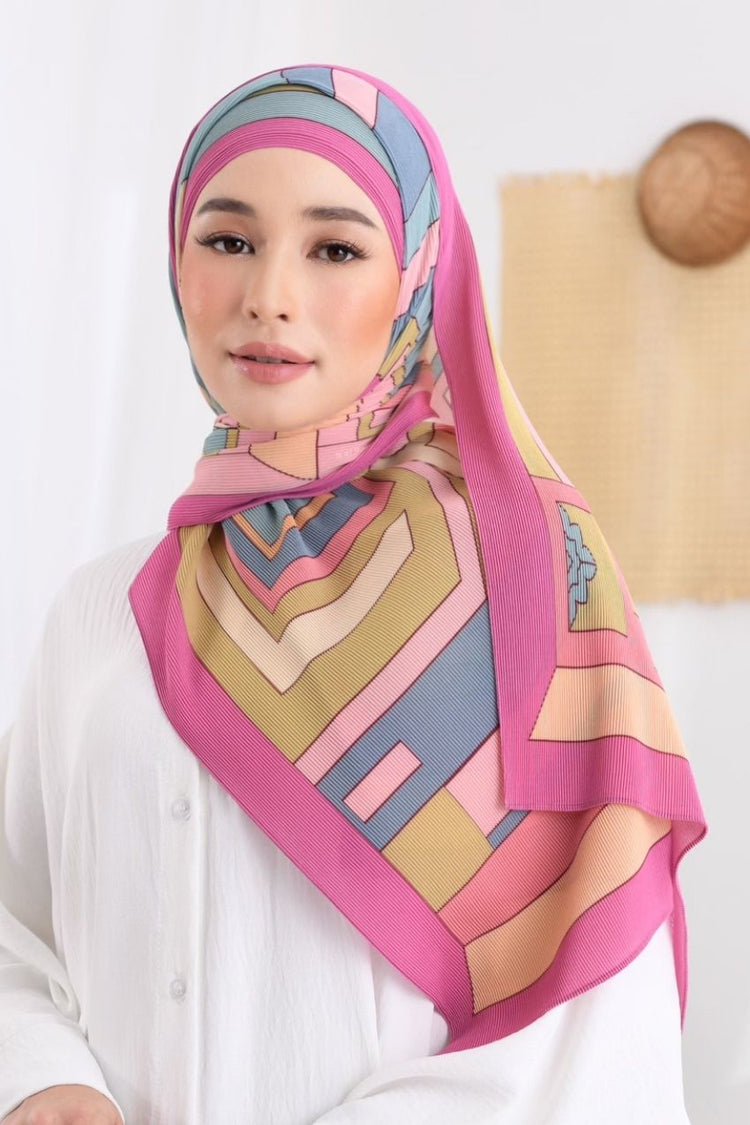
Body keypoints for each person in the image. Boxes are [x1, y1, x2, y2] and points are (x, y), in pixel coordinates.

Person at [0, 63, 707, 1124]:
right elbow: (18, 920)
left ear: (417, 278)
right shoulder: (103, 610)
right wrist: (44, 1073)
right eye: (228, 239)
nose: (268, 295)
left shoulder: (533, 596)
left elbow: (593, 1000)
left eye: (334, 249)